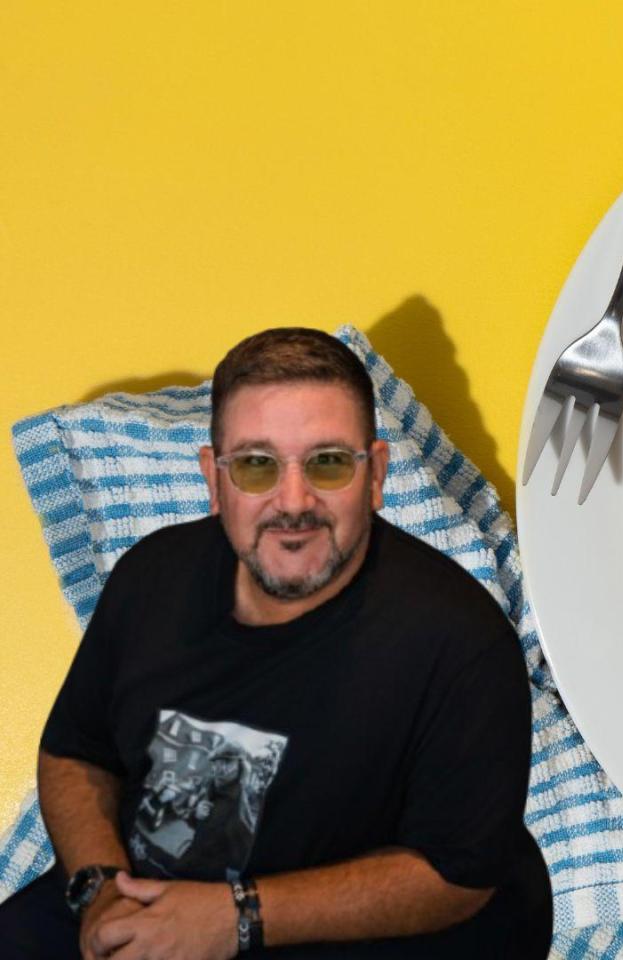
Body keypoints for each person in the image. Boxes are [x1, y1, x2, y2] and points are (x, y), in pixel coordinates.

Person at [0, 328, 550, 958]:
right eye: (258, 465)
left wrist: (232, 919)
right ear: (215, 478)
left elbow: (457, 878)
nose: (294, 502)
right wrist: (100, 891)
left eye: (328, 463)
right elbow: (76, 753)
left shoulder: (461, 642)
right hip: (142, 899)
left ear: (376, 476)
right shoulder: (149, 578)